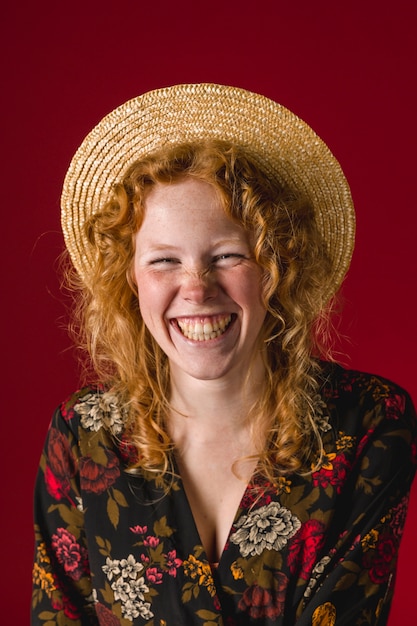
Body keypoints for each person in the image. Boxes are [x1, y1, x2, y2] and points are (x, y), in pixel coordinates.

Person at [32, 84, 416, 626]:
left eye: (228, 254)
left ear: (278, 268)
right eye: (164, 260)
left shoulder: (371, 423)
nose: (196, 288)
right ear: (130, 280)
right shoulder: (82, 433)